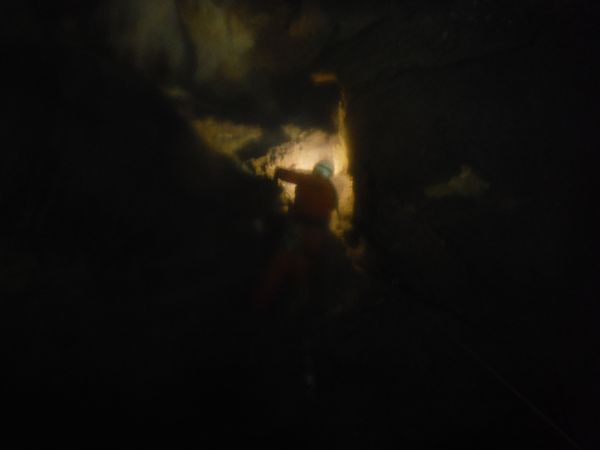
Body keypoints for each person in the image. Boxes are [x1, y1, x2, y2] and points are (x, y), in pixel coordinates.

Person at [254, 159, 338, 309]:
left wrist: (274, 185)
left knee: (282, 259)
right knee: (305, 265)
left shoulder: (307, 178)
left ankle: (262, 301)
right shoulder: (331, 189)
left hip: (297, 227)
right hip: (316, 233)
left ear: (316, 169)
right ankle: (299, 304)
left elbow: (281, 173)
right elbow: (331, 210)